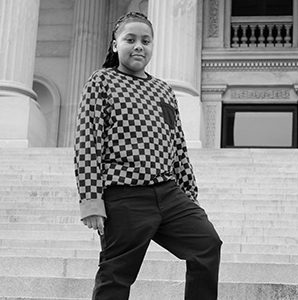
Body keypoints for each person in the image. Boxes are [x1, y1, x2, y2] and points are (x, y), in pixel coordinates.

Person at [74, 11, 222, 300]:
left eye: (145, 40)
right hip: (123, 195)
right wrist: (91, 201)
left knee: (207, 244)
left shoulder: (163, 90)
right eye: (130, 39)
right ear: (116, 45)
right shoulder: (101, 82)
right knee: (115, 275)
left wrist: (188, 194)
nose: (138, 46)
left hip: (168, 193)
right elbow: (88, 141)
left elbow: (177, 145)